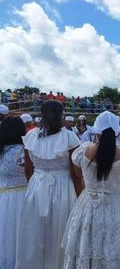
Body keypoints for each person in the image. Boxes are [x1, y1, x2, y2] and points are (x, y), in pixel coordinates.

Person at [62, 111, 120, 268]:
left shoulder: (83, 151)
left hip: (89, 204)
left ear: (96, 131)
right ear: (117, 131)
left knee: (89, 244)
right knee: (117, 244)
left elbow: (78, 174)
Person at [16, 100, 83, 269]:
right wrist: (80, 196)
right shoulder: (69, 137)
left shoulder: (31, 136)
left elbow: (28, 170)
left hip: (37, 186)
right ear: (62, 115)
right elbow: (75, 173)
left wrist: (35, 183)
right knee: (59, 231)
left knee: (35, 231)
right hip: (63, 187)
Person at [0, 117, 27, 268]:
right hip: (22, 197)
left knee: (4, 234)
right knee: (18, 234)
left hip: (2, 196)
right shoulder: (24, 151)